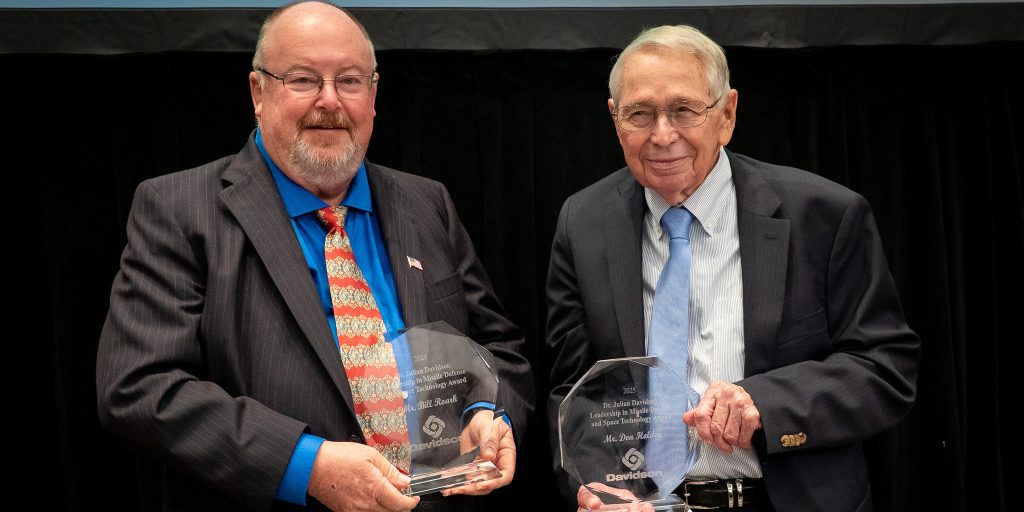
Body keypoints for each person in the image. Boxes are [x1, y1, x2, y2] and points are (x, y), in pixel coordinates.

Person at [96, 2, 533, 511]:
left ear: (373, 95)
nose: (330, 100)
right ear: (258, 92)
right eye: (303, 79)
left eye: (349, 81)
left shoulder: (426, 202)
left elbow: (498, 347)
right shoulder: (179, 209)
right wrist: (306, 465)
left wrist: (488, 412)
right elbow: (139, 387)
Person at [545, 25, 919, 512]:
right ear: (616, 120)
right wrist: (598, 486)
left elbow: (885, 367)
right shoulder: (584, 222)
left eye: (684, 110)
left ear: (727, 114)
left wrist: (765, 402)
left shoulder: (824, 215)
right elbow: (574, 390)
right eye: (640, 114)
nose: (662, 135)